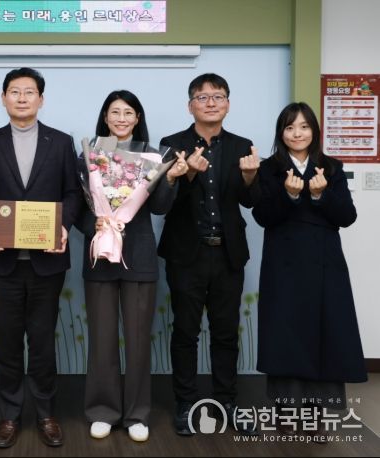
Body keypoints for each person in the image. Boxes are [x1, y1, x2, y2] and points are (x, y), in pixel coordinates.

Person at [0, 67, 81, 449]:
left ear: (41, 99)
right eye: (14, 91)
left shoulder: (61, 143)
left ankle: (46, 413)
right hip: (3, 263)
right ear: (3, 98)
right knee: (7, 341)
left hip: (47, 262)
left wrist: (63, 226)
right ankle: (9, 414)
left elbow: (73, 193)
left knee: (43, 341)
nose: (21, 97)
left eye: (29, 91)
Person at [76, 90, 187, 442]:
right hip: (100, 255)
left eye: (128, 113)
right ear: (105, 117)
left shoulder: (152, 156)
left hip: (138, 256)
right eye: (115, 112)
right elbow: (77, 207)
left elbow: (159, 208)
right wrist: (93, 223)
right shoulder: (91, 153)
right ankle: (102, 411)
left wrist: (171, 178)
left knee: (138, 340)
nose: (121, 119)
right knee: (102, 339)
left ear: (137, 118)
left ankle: (137, 413)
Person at [252, 102, 367, 443]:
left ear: (314, 131)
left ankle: (317, 415)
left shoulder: (331, 167)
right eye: (290, 127)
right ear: (281, 133)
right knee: (286, 334)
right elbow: (262, 216)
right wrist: (288, 196)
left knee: (325, 334)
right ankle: (285, 411)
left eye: (304, 127)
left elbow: (347, 216)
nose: (297, 133)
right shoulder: (269, 168)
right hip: (283, 263)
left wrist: (321, 195)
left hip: (324, 263)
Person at [157, 73, 261, 436]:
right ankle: (185, 404)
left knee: (226, 332)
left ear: (228, 104)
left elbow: (252, 202)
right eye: (202, 97)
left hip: (228, 253)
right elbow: (163, 203)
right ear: (191, 106)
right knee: (185, 331)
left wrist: (250, 179)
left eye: (218, 96)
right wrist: (186, 175)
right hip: (186, 254)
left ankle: (226, 402)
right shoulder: (172, 145)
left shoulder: (243, 146)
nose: (211, 102)